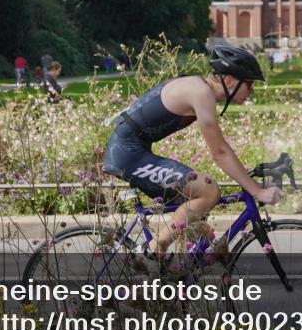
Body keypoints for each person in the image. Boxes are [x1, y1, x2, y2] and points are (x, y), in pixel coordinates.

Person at [102, 45, 281, 256]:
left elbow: (221, 148)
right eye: (249, 83)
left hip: (133, 150)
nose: (252, 90)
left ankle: (177, 268)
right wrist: (257, 190)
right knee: (209, 191)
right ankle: (153, 250)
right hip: (127, 154)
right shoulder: (201, 92)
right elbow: (220, 152)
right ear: (230, 80)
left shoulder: (198, 87)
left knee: (197, 204)